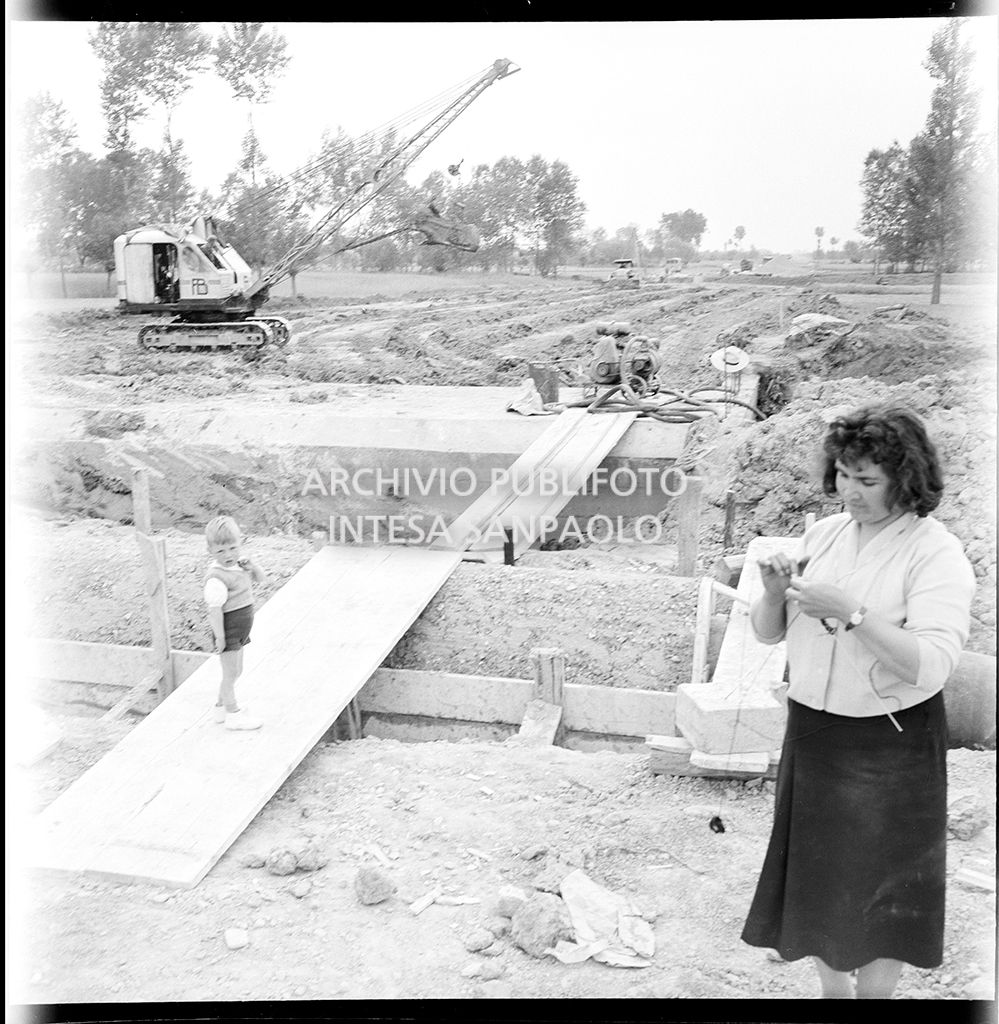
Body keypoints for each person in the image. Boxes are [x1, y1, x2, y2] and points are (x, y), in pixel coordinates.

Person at [740, 404, 976, 999]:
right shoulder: (823, 536)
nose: (850, 491)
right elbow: (769, 633)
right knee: (818, 878)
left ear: (906, 479)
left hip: (888, 740)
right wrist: (773, 595)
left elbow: (932, 664)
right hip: (815, 730)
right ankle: (834, 996)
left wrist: (853, 613)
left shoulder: (934, 553)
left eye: (867, 480)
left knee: (883, 889)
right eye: (844, 475)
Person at [203, 515, 268, 731]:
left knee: (237, 670)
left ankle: (221, 708)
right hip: (228, 631)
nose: (228, 555)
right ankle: (233, 715)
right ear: (210, 550)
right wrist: (220, 637)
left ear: (240, 544)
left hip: (239, 630)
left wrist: (252, 566)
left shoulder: (239, 566)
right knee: (230, 673)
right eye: (221, 551)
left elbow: (261, 578)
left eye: (232, 548)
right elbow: (214, 611)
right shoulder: (216, 577)